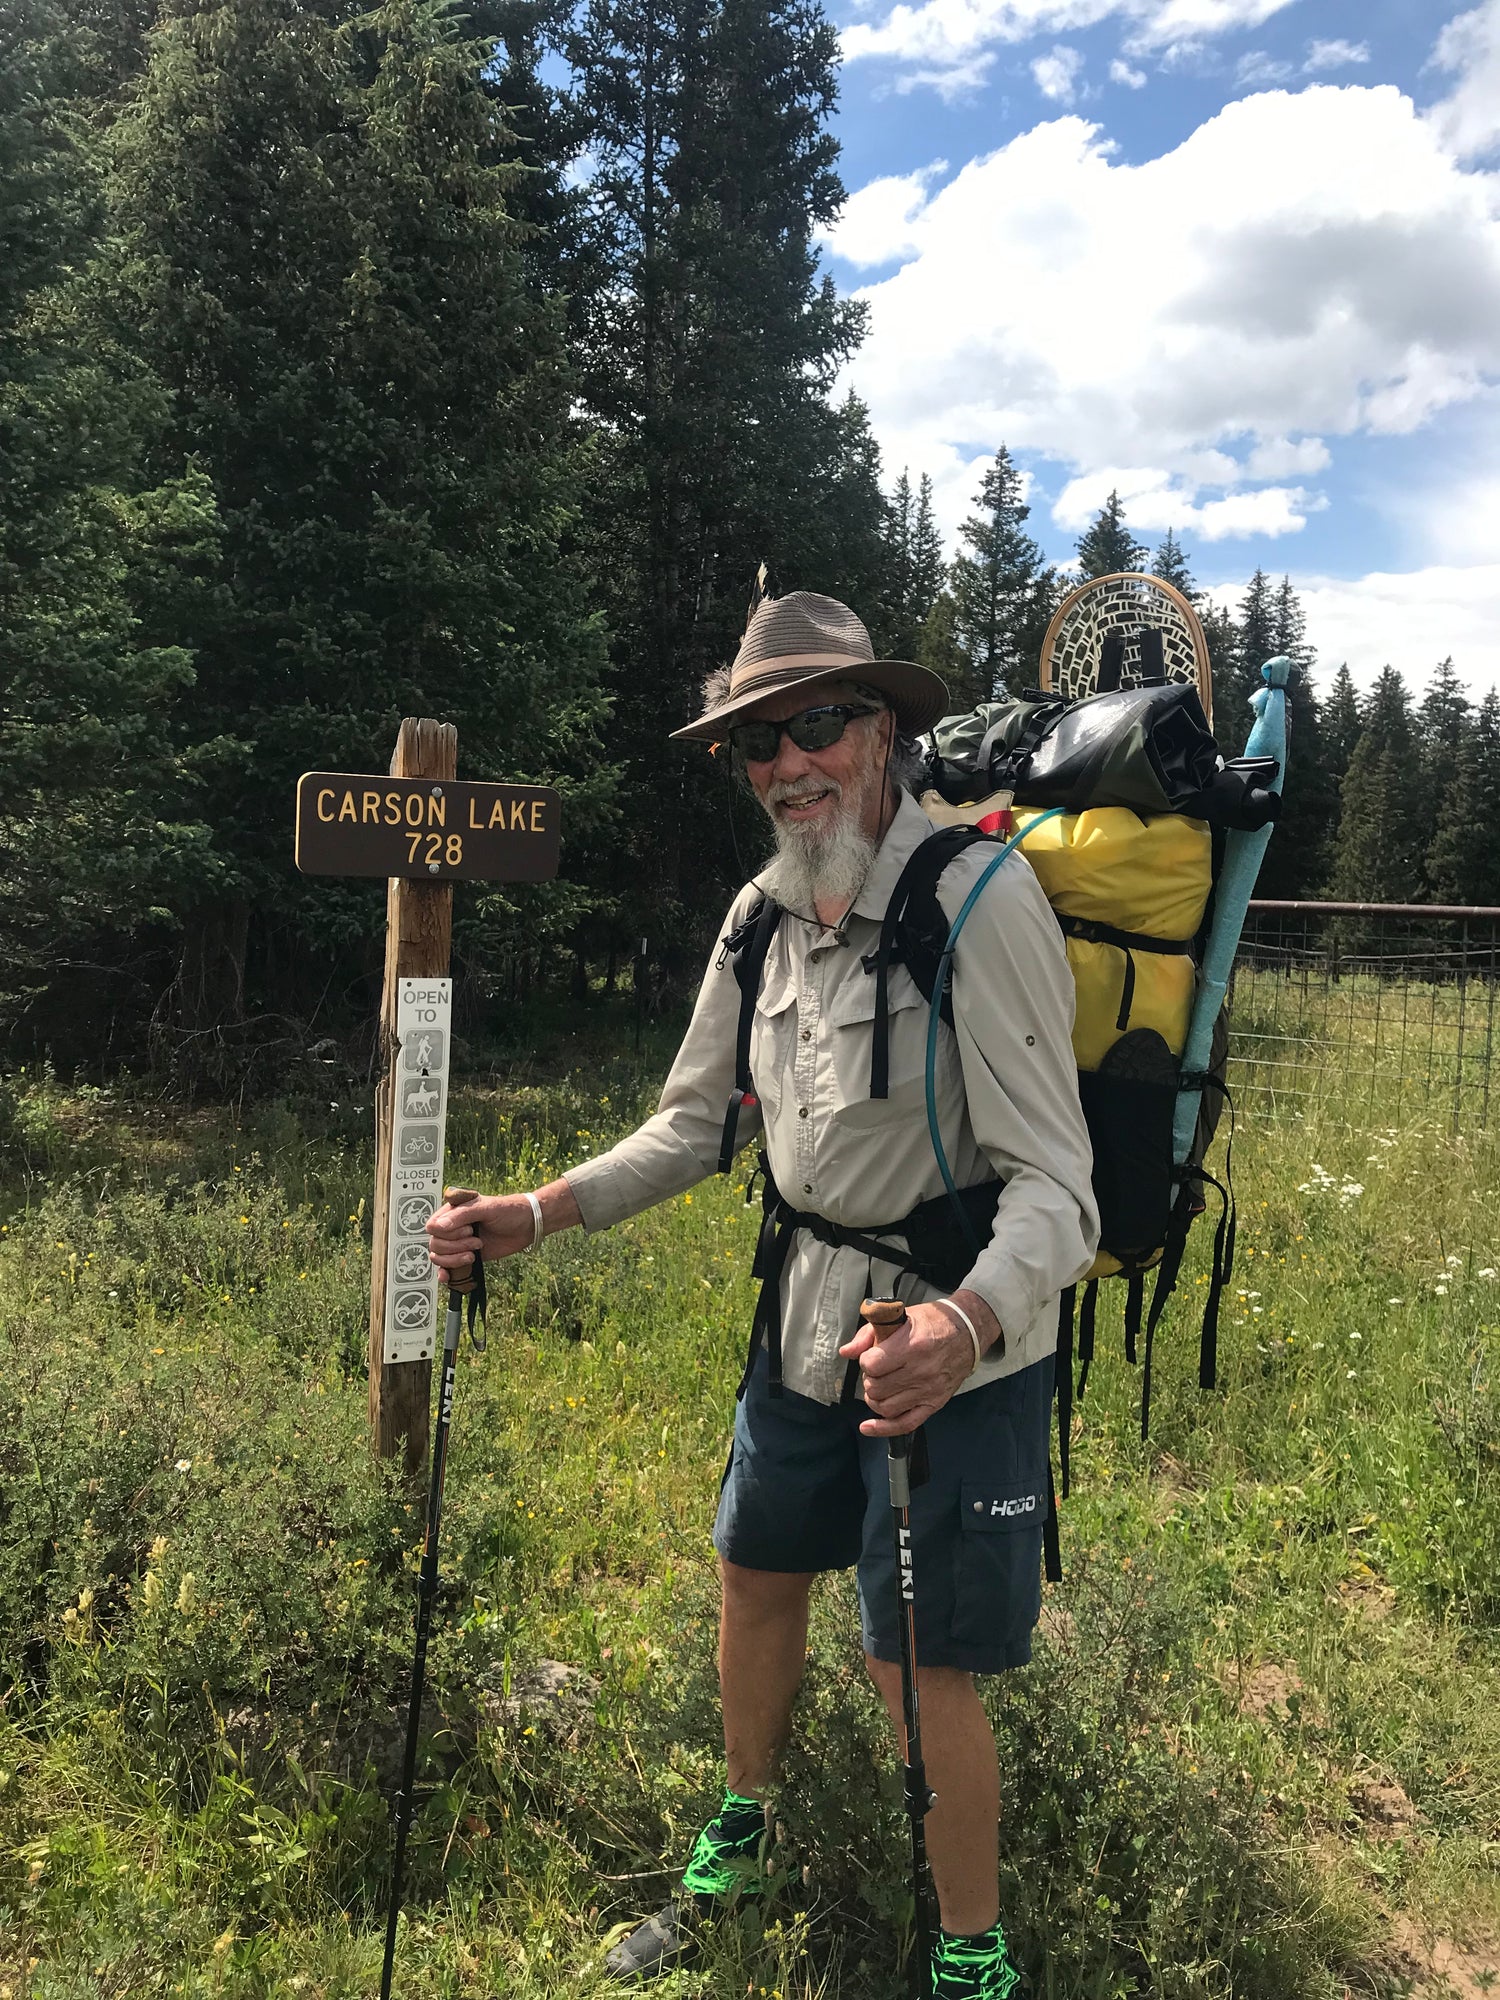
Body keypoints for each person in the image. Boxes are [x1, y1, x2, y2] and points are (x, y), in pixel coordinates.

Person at [426, 591, 1099, 1998]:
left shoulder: (982, 899)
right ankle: (744, 1826)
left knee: (914, 1659)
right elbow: (693, 1125)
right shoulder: (761, 918)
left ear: (884, 731)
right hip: (800, 1322)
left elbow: (1060, 1191)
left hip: (954, 1344)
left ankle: (974, 1954)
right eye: (757, 744)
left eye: (815, 726)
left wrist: (960, 1326)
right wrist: (538, 1213)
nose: (788, 764)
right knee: (753, 1576)